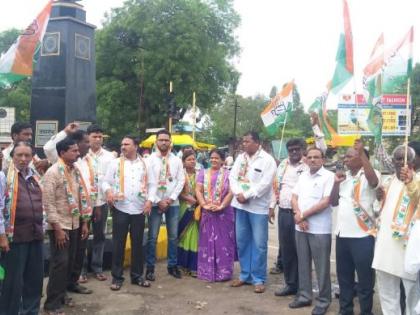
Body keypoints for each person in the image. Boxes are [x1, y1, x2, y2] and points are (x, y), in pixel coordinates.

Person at [330, 140, 379, 315]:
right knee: (344, 279)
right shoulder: (344, 177)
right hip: (342, 236)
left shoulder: (370, 175)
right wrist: (336, 182)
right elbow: (333, 202)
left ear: (361, 158)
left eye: (350, 156)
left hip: (363, 236)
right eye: (345, 156)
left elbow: (374, 183)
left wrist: (363, 154)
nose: (345, 159)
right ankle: (345, 310)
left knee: (365, 280)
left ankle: (366, 312)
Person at [43, 137, 91, 315]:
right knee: (60, 264)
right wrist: (57, 229)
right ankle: (51, 305)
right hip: (60, 226)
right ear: (62, 153)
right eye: (74, 151)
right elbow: (48, 203)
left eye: (78, 150)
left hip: (75, 223)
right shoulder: (53, 172)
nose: (78, 153)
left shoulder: (75, 170)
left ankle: (62, 296)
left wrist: (84, 222)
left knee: (70, 262)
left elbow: (81, 197)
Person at [372, 145, 420, 315]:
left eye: (406, 158)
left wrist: (411, 181)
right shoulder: (389, 180)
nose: (401, 162)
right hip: (385, 247)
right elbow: (379, 212)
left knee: (412, 298)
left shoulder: (418, 180)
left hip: (408, 250)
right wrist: (378, 199)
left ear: (416, 160)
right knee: (387, 295)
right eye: (398, 159)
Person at [229, 131, 277, 294]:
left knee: (259, 244)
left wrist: (247, 195)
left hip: (258, 208)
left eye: (247, 141)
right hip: (240, 206)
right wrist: (238, 194)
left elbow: (265, 184)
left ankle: (258, 278)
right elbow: (232, 178)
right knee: (242, 241)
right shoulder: (240, 158)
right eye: (243, 141)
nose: (244, 144)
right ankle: (244, 275)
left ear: (257, 142)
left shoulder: (267, 160)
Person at [289, 147, 335, 315]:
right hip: (300, 227)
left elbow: (325, 202)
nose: (313, 160)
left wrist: (302, 216)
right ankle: (304, 296)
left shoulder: (329, 177)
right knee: (303, 263)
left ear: (323, 159)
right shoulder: (302, 176)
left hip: (319, 229)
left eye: (316, 157)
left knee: (321, 266)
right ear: (306, 159)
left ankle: (323, 301)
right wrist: (297, 214)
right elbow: (294, 197)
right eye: (310, 157)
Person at [103, 136, 152, 290]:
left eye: (126, 144)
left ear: (136, 146)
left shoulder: (146, 164)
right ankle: (117, 278)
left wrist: (150, 201)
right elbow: (105, 181)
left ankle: (137, 276)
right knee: (118, 244)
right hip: (121, 208)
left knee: (138, 243)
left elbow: (152, 184)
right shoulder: (115, 163)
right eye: (122, 144)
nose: (123, 147)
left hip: (139, 208)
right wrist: (109, 191)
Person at [0, 142, 43, 315]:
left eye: (27, 155)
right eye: (19, 155)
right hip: (14, 239)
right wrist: (2, 236)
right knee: (12, 283)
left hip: (36, 236)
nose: (24, 159)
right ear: (12, 157)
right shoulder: (4, 177)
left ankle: (30, 312)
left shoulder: (35, 176)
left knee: (34, 281)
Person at [270, 138, 308, 297]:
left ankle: (303, 287)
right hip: (284, 212)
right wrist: (272, 207)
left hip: (302, 214)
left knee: (302, 251)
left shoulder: (308, 165)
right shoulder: (282, 165)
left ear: (302, 150)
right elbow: (275, 186)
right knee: (287, 250)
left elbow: (322, 148)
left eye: (297, 149)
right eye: (291, 149)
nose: (293, 152)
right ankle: (290, 284)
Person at [146, 129, 185, 280]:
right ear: (156, 142)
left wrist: (170, 199)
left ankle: (172, 266)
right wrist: (157, 200)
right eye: (161, 140)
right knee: (152, 237)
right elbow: (146, 182)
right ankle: (150, 268)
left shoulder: (176, 160)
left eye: (166, 140)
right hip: (155, 203)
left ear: (170, 142)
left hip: (172, 203)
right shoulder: (149, 160)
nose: (163, 142)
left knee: (173, 237)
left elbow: (181, 180)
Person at [80, 124, 115, 282]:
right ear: (88, 137)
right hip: (83, 203)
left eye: (100, 136)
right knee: (82, 235)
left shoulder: (110, 157)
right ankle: (80, 270)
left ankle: (97, 267)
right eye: (94, 136)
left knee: (100, 235)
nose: (98, 139)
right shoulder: (80, 154)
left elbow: (112, 180)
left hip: (101, 202)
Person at [196, 149, 235, 282]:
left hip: (224, 213)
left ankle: (224, 272)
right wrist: (204, 204)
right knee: (207, 241)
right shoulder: (203, 173)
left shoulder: (229, 174)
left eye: (217, 158)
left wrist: (222, 206)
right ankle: (206, 271)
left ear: (223, 160)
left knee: (224, 242)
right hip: (207, 212)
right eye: (211, 158)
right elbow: (198, 190)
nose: (213, 160)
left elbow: (231, 191)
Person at [177, 150, 199, 276]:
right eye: (189, 159)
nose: (192, 161)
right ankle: (181, 264)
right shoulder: (180, 175)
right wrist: (187, 198)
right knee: (182, 236)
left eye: (194, 159)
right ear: (184, 162)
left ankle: (193, 266)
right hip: (183, 208)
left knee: (194, 236)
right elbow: (176, 191)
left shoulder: (200, 175)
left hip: (196, 208)